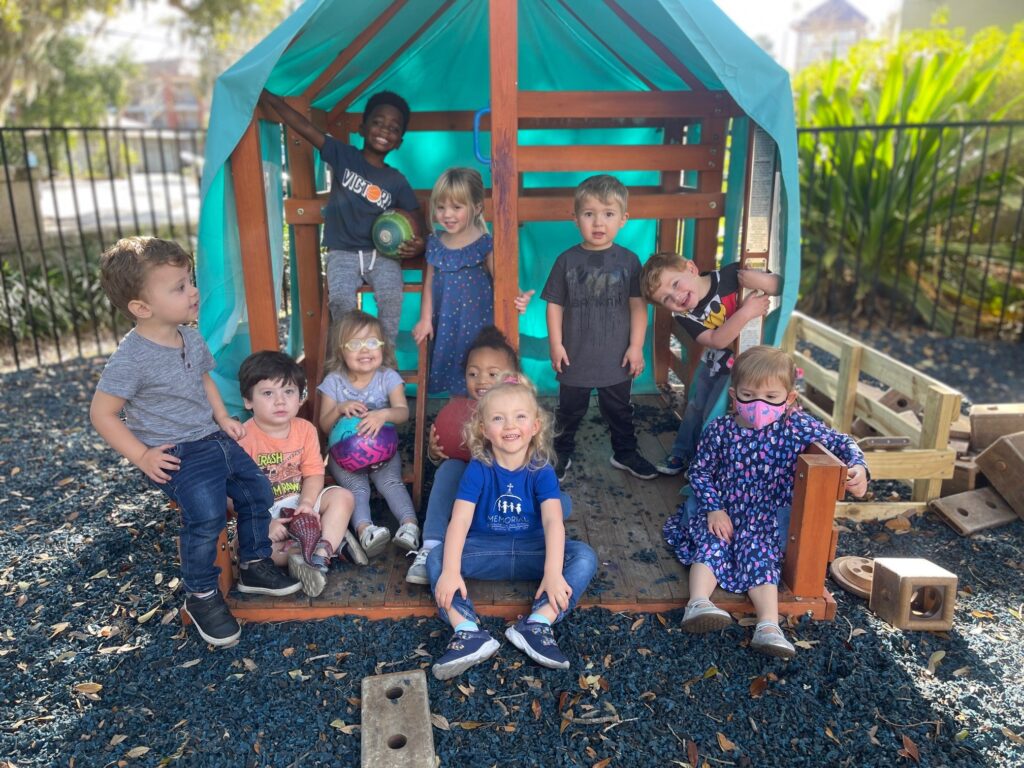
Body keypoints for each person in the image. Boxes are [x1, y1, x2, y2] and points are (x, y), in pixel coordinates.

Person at [89, 237, 300, 648]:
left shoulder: (190, 337)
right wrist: (141, 455)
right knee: (205, 515)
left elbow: (202, 378)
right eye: (180, 287)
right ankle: (202, 594)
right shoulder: (132, 357)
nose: (194, 292)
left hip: (212, 437)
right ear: (141, 307)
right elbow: (102, 413)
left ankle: (255, 562)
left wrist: (223, 417)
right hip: (173, 453)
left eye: (191, 281)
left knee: (257, 489)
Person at [664, 346, 869, 659]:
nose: (759, 404)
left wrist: (858, 465)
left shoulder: (796, 427)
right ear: (734, 396)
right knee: (711, 543)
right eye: (748, 395)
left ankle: (769, 626)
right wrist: (714, 509)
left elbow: (842, 442)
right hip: (724, 508)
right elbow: (700, 472)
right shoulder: (721, 430)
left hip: (765, 517)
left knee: (761, 556)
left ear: (789, 399)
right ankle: (698, 603)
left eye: (772, 398)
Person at [427, 373, 597, 680]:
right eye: (498, 418)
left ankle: (538, 623)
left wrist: (553, 572)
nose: (509, 425)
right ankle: (467, 632)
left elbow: (552, 521)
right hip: (486, 550)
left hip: (534, 551)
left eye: (520, 417)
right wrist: (452, 570)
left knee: (583, 556)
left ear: (535, 426)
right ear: (483, 429)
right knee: (438, 558)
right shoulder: (479, 468)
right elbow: (461, 520)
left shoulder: (541, 469)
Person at [405, 326, 574, 585]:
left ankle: (527, 537)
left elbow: (530, 452)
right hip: (478, 491)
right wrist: (434, 452)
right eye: (473, 373)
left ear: (512, 377)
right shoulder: (457, 411)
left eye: (492, 374)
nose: (481, 380)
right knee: (449, 469)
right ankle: (431, 544)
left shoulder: (519, 411)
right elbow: (451, 454)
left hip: (510, 486)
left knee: (562, 504)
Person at [259, 89, 425, 344]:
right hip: (342, 252)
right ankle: (350, 352)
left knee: (392, 296)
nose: (383, 131)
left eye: (393, 128)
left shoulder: (396, 180)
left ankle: (385, 355)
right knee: (340, 300)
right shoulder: (344, 156)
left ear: (399, 141)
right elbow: (304, 127)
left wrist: (419, 242)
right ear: (362, 127)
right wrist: (271, 99)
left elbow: (416, 219)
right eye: (377, 122)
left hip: (380, 255)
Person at [541, 174, 657, 482]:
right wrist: (556, 344)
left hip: (616, 356)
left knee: (619, 411)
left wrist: (636, 346)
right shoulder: (567, 260)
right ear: (575, 217)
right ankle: (560, 453)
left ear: (623, 219)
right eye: (589, 214)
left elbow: (638, 306)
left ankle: (625, 453)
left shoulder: (630, 261)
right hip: (575, 355)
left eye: (608, 214)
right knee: (568, 411)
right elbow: (554, 304)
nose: (598, 222)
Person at [236, 351, 368, 598]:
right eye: (268, 393)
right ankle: (326, 544)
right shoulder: (243, 440)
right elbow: (232, 494)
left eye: (288, 392)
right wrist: (264, 524)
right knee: (261, 554)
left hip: (300, 503)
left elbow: (314, 473)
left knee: (343, 497)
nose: (280, 401)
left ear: (300, 398)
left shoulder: (305, 429)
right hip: (264, 514)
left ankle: (321, 551)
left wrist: (307, 504)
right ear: (248, 401)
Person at [640, 251, 781, 477]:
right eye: (666, 299)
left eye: (675, 284)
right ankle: (681, 451)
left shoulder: (730, 275)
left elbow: (781, 285)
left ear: (692, 268)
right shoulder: (685, 316)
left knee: (714, 414)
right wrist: (745, 313)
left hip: (744, 364)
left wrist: (761, 281)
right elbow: (716, 340)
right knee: (696, 407)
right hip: (715, 364)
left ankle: (704, 461)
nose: (676, 297)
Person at [412, 167, 534, 394]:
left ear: (477, 207)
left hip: (478, 325)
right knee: (453, 373)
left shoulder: (484, 244)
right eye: (441, 207)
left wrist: (519, 296)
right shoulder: (435, 243)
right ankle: (454, 420)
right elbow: (428, 285)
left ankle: (487, 418)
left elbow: (502, 279)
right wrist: (425, 319)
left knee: (480, 373)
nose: (447, 214)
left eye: (456, 207)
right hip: (446, 324)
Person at [319, 310, 419, 558]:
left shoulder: (388, 378)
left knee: (391, 482)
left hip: (383, 451)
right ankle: (366, 531)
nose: (365, 350)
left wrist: (383, 415)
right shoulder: (333, 381)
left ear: (383, 348)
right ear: (341, 350)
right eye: (355, 344)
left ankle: (410, 527)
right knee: (357, 488)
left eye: (372, 342)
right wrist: (340, 408)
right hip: (344, 456)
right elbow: (323, 423)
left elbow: (403, 412)